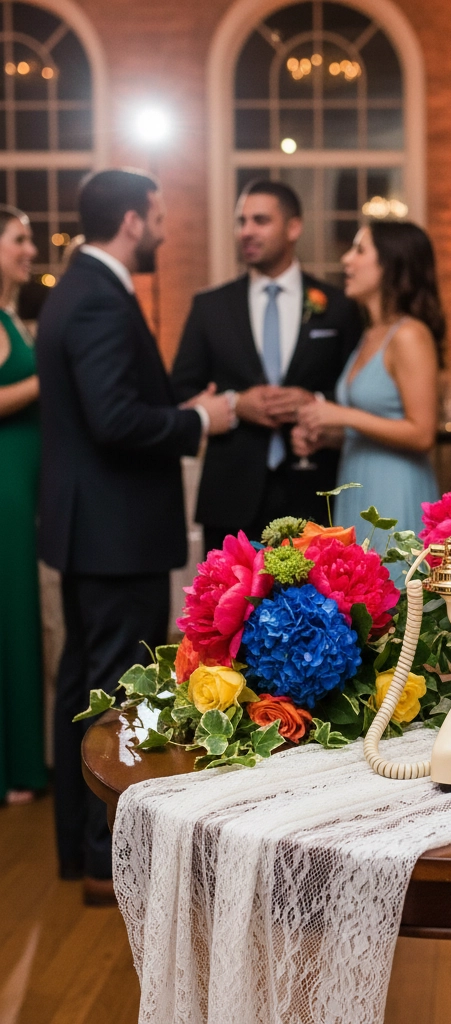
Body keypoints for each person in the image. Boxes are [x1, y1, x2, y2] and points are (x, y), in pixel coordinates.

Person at [36, 168, 233, 903]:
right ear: (128, 219)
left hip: (92, 526)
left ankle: (84, 855)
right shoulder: (97, 298)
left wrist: (184, 407)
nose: (163, 228)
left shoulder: (81, 288)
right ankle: (109, 863)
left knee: (83, 688)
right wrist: (203, 420)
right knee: (117, 697)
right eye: (156, 215)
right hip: (114, 531)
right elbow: (115, 420)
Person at [172, 180, 362, 553]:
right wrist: (235, 404)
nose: (246, 231)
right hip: (231, 493)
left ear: (293, 228)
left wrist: (315, 402)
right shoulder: (210, 307)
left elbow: (354, 389)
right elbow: (180, 389)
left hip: (315, 488)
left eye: (260, 220)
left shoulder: (338, 306)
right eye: (241, 221)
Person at [294, 221, 442, 555]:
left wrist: (341, 414)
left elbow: (422, 434)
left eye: (360, 250)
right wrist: (326, 435)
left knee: (399, 598)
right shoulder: (369, 334)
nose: (346, 260)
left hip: (394, 489)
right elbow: (373, 426)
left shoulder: (409, 335)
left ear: (390, 263)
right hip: (357, 482)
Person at [0, 206, 47, 806]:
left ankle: (22, 761)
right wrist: (50, 377)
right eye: (18, 240)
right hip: (5, 484)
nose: (31, 249)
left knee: (20, 617)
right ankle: (14, 768)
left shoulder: (13, 315)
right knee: (10, 616)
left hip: (25, 481)